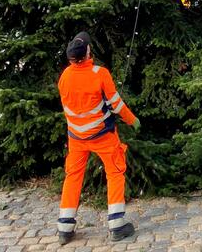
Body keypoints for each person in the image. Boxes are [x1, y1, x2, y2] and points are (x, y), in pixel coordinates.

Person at [57, 32, 140, 245]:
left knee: (73, 176)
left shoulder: (64, 76)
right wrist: (132, 120)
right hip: (103, 135)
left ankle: (65, 228)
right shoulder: (99, 73)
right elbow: (116, 104)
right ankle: (117, 225)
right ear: (87, 52)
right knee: (115, 172)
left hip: (76, 137)